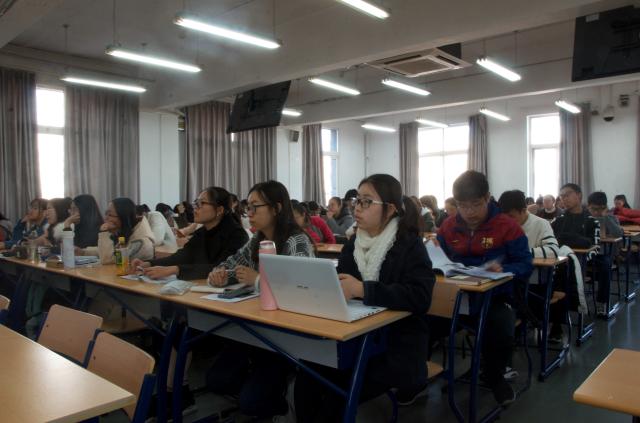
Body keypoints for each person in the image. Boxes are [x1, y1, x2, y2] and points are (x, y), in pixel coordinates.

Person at [294, 174, 435, 421]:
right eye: (357, 201)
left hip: (396, 344)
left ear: (390, 209)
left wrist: (363, 290)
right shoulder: (354, 244)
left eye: (366, 202)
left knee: (337, 394)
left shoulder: (409, 243)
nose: (357, 208)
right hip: (354, 337)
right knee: (307, 375)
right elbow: (341, 284)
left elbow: (420, 296)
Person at [206, 180, 315, 419]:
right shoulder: (256, 241)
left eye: (255, 207)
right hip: (255, 331)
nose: (249, 213)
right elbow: (230, 265)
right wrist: (219, 275)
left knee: (252, 401)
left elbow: (301, 292)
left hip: (286, 337)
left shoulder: (296, 241)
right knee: (216, 380)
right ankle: (264, 390)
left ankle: (284, 395)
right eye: (248, 207)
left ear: (276, 208)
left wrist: (257, 280)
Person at [436, 171, 532, 406]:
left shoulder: (507, 226)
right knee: (422, 318)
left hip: (497, 296)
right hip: (457, 296)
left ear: (487, 198)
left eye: (476, 204)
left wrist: (505, 269)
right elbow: (440, 259)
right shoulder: (448, 226)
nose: (469, 212)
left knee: (501, 327)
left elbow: (525, 263)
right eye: (462, 206)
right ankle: (417, 378)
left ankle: (495, 375)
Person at [132, 187, 249, 280]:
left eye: (201, 203)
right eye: (195, 203)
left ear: (219, 210)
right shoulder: (201, 233)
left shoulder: (237, 235)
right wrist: (149, 263)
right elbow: (183, 256)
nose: (195, 208)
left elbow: (222, 268)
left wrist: (176, 270)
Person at [499, 190, 566, 342]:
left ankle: (519, 326)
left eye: (511, 216)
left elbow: (553, 250)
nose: (507, 221)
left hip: (534, 281)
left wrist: (523, 253)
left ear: (524, 210)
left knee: (517, 295)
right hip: (508, 278)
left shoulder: (540, 224)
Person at [82, 198, 155, 263]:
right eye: (106, 214)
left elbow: (108, 259)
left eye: (110, 215)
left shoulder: (141, 241)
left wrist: (105, 233)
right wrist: (84, 252)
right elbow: (113, 250)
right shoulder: (128, 231)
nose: (106, 219)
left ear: (124, 217)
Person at [588, 192, 624, 314]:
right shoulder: (584, 217)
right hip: (586, 254)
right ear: (588, 206)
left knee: (605, 266)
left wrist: (606, 217)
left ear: (605, 207)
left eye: (600, 209)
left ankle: (602, 302)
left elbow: (619, 234)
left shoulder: (611, 218)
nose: (596, 212)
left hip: (603, 254)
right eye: (593, 209)